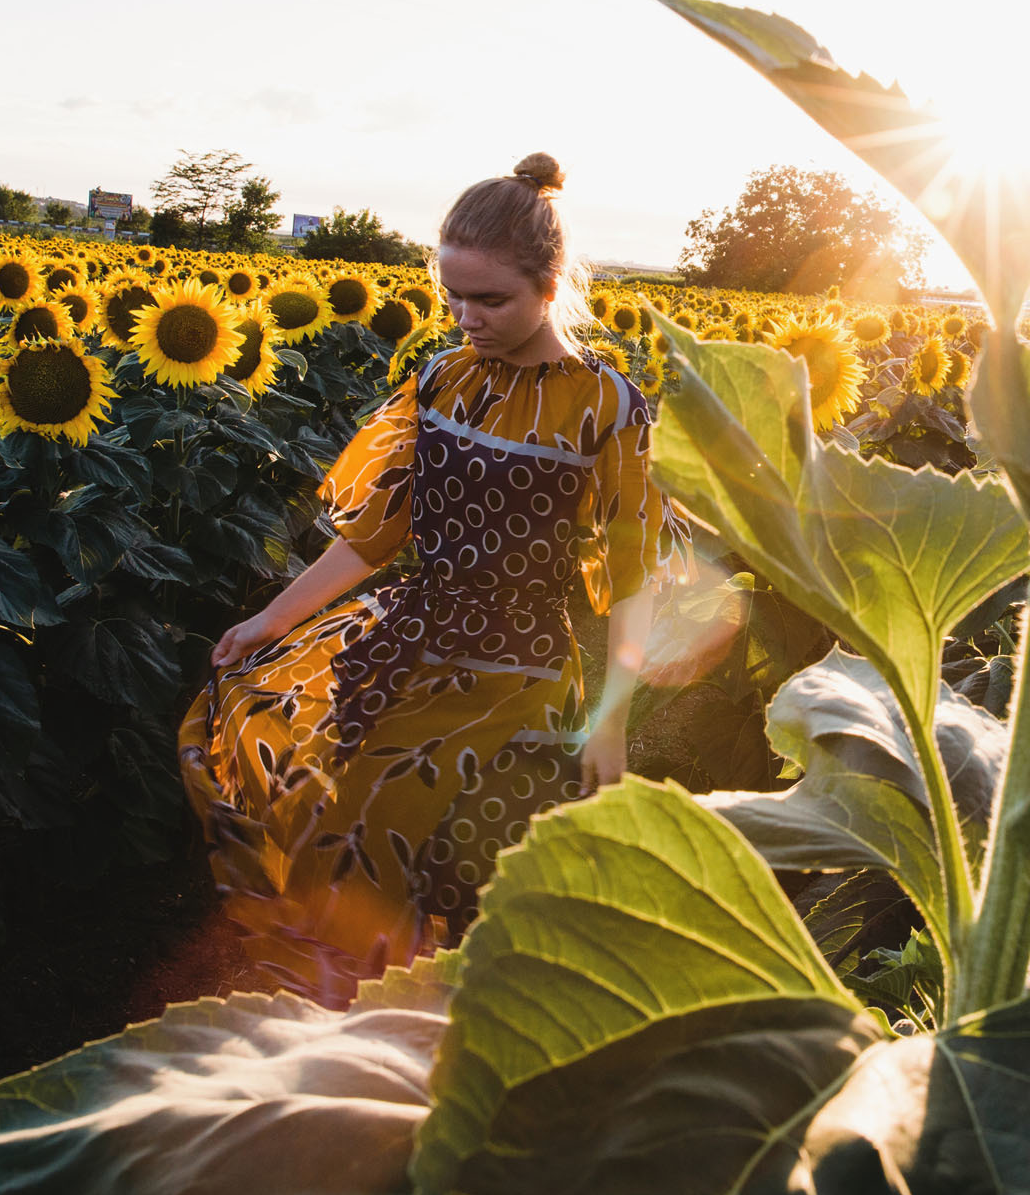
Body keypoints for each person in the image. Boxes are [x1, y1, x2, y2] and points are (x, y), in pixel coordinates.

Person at [178, 153, 687, 1004]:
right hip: (407, 629)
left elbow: (634, 576)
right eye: (453, 297)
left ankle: (386, 997)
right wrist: (271, 620)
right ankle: (346, 993)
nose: (466, 318)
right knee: (284, 750)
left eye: (490, 300)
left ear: (550, 284)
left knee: (375, 805)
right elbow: (374, 539)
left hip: (514, 663)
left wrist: (611, 720)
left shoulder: (606, 406)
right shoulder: (442, 380)